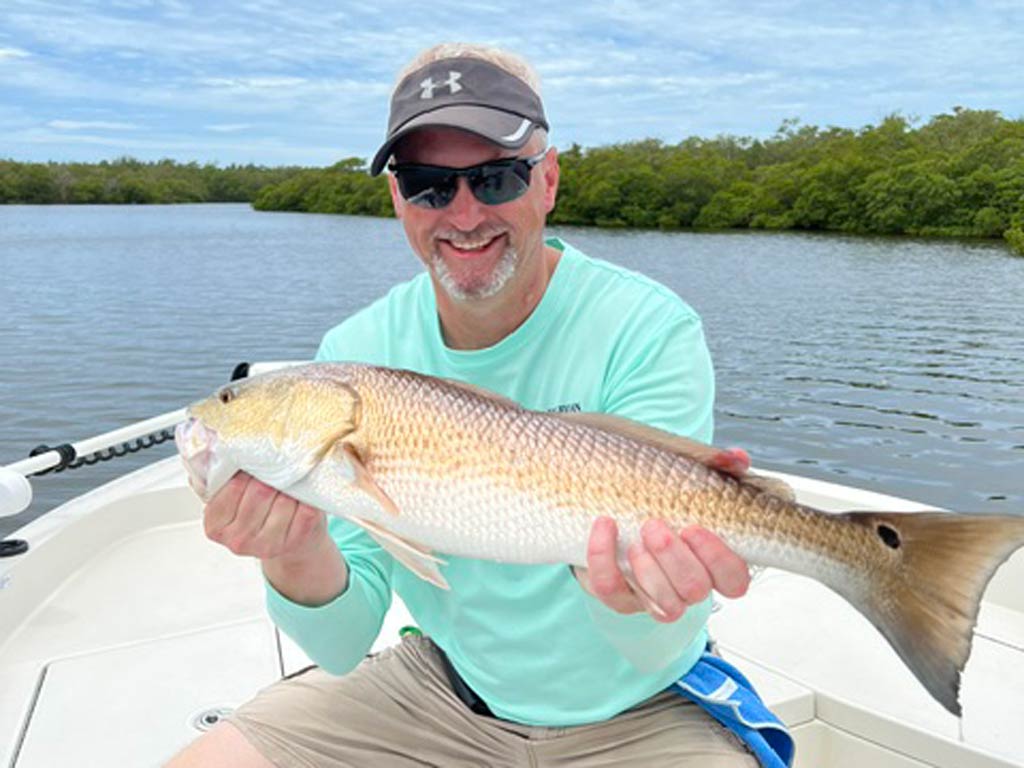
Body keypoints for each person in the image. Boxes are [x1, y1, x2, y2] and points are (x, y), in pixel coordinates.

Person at [169, 43, 764, 767]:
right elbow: (342, 643)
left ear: (547, 180)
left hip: (641, 708)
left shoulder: (646, 326)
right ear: (397, 198)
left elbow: (658, 644)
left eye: (497, 176)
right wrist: (293, 553)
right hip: (440, 688)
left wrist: (636, 594)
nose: (464, 211)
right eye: (427, 183)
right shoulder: (356, 347)